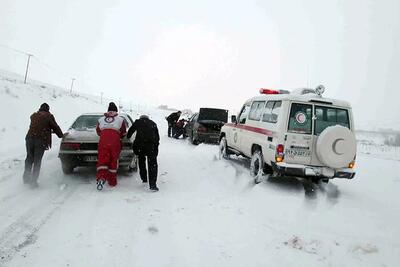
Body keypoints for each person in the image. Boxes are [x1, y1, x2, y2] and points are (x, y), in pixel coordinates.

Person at [23, 103, 63, 188]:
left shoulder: (34, 115)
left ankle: (26, 178)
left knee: (29, 158)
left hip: (29, 138)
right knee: (37, 160)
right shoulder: (49, 116)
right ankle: (33, 182)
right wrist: (61, 135)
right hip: (40, 140)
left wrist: (47, 129)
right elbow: (55, 127)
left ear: (40, 108)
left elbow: (38, 125)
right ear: (48, 109)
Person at [95, 102, 126, 190]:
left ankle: (101, 178)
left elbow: (98, 131)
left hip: (103, 142)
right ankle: (112, 182)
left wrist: (105, 134)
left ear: (108, 111)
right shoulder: (120, 119)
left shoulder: (101, 119)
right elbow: (123, 132)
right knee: (113, 160)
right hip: (115, 142)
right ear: (116, 111)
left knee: (102, 160)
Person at [127, 114, 160, 192]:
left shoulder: (138, 122)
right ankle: (153, 185)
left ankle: (144, 178)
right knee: (152, 164)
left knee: (141, 161)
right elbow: (157, 137)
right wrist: (156, 145)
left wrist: (128, 136)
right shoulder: (153, 123)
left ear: (140, 118)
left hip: (140, 145)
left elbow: (130, 132)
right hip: (151, 146)